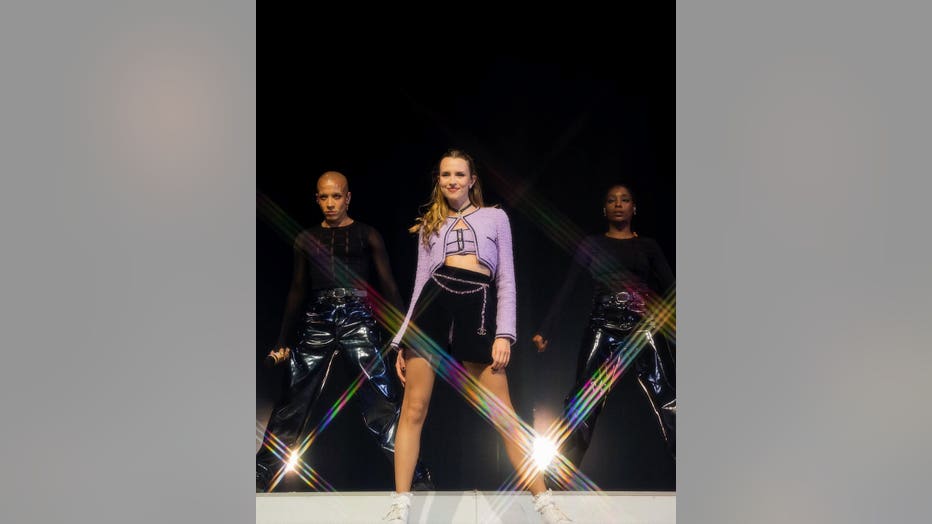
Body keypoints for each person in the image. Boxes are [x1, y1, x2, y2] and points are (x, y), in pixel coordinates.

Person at [382, 150, 571, 524]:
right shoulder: (430, 224)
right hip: (434, 302)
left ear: (472, 180)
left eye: (459, 174)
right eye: (445, 175)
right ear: (438, 180)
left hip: (478, 304)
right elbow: (419, 283)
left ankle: (546, 503)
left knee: (504, 415)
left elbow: (507, 280)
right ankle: (400, 506)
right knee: (414, 408)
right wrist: (401, 340)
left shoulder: (495, 217)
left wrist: (505, 334)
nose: (452, 180)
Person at [256, 171, 432, 492]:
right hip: (317, 317)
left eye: (336, 196)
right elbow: (297, 290)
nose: (330, 203)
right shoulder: (306, 238)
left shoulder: (367, 234)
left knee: (380, 400)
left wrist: (405, 337)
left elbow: (389, 286)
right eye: (323, 197)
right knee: (293, 400)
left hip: (358, 315)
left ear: (348, 198)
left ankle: (415, 475)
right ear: (317, 199)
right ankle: (261, 473)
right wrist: (282, 340)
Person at [534, 183, 676, 482]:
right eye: (612, 200)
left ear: (634, 207)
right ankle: (556, 480)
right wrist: (547, 328)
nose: (618, 204)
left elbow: (671, 288)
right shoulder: (593, 243)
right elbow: (569, 286)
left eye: (625, 200)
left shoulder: (648, 246)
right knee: (583, 401)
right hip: (603, 325)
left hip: (644, 327)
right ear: (604, 209)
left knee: (669, 399)